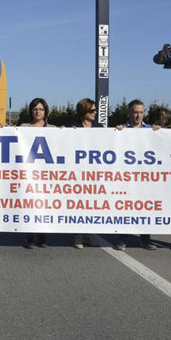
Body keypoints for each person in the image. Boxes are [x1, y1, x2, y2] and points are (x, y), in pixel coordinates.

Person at [115, 99, 158, 251]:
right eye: (135, 112)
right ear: (129, 113)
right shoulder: (121, 129)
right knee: (126, 208)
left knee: (146, 208)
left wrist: (159, 133)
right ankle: (122, 239)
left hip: (145, 178)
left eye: (141, 112)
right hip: (126, 177)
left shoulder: (151, 130)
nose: (138, 115)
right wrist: (116, 133)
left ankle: (145, 240)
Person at [21, 98, 55, 248]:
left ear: (45, 111)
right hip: (28, 173)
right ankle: (29, 237)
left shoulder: (53, 129)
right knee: (29, 204)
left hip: (46, 174)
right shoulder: (23, 127)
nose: (38, 111)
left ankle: (42, 236)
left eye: (41, 109)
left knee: (43, 204)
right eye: (35, 109)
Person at [69, 98, 98, 248]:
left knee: (92, 204)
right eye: (92, 110)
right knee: (80, 204)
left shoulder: (99, 127)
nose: (95, 113)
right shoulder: (73, 127)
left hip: (95, 173)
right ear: (84, 111)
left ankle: (90, 234)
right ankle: (79, 236)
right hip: (78, 172)